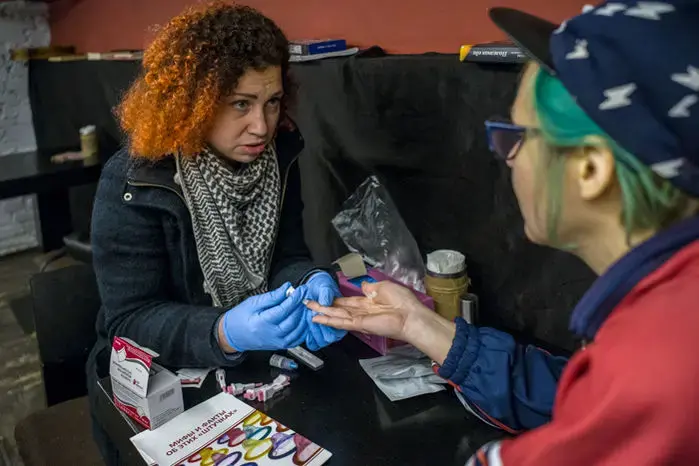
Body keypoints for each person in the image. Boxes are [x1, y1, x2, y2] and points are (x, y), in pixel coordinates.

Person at [309, 1, 699, 464]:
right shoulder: (665, 317)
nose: (507, 158)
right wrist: (418, 323)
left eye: (516, 137)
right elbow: (574, 400)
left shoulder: (666, 363)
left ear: (591, 169)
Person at [86, 3, 344, 464]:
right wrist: (224, 329)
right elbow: (130, 319)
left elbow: (287, 254)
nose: (261, 126)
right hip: (157, 383)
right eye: (240, 104)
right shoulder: (134, 180)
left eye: (272, 102)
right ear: (192, 100)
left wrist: (309, 281)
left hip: (253, 369)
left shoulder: (278, 156)